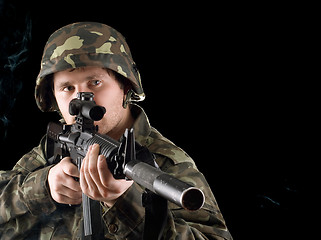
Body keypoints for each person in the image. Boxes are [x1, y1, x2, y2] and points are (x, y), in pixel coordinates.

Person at [0, 22, 232, 239]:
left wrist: (124, 203)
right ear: (53, 97)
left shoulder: (164, 162)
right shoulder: (56, 145)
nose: (81, 98)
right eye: (67, 87)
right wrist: (43, 186)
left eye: (95, 83)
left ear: (126, 86)